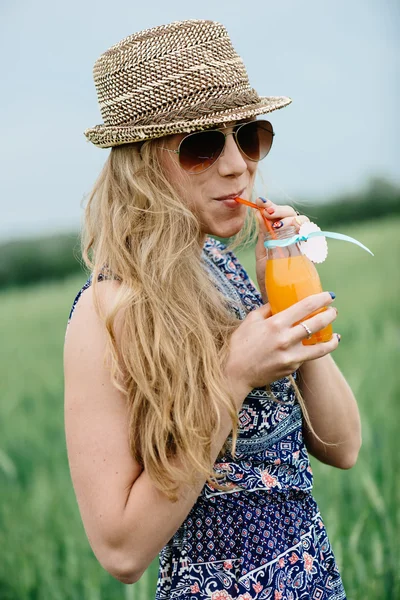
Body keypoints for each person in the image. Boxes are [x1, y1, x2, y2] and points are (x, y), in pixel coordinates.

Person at [64, 19, 361, 600]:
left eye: (246, 136)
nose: (236, 165)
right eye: (202, 146)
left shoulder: (225, 269)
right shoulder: (106, 312)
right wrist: (233, 377)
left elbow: (342, 446)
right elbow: (120, 551)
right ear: (142, 165)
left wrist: (288, 296)